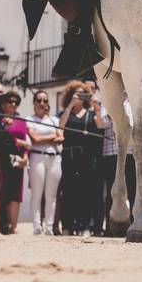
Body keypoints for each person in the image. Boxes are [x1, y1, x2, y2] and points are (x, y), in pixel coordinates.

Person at [58, 80, 104, 236]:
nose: (79, 97)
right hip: (69, 156)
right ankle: (67, 226)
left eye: (82, 94)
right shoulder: (66, 113)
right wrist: (70, 105)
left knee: (85, 192)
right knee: (68, 192)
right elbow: (61, 126)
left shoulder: (91, 114)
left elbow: (100, 126)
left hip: (86, 156)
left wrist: (96, 108)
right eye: (76, 94)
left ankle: (84, 226)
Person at [0, 92, 30, 234]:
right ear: (3, 104)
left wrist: (25, 157)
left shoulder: (21, 121)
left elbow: (26, 141)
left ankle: (13, 226)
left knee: (15, 193)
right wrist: (19, 142)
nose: (13, 104)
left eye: (16, 102)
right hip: (1, 158)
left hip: (17, 160)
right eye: (9, 101)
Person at [26, 90, 63, 235]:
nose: (42, 103)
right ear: (34, 103)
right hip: (37, 157)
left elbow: (61, 138)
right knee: (37, 193)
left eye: (45, 101)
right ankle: (36, 226)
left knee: (51, 195)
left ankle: (49, 227)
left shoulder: (54, 120)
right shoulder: (30, 119)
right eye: (39, 100)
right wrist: (52, 136)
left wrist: (44, 137)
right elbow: (35, 139)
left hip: (54, 158)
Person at [97, 95, 135, 235]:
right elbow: (102, 123)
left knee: (132, 189)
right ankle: (109, 227)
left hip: (130, 152)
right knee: (110, 193)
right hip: (111, 152)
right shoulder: (107, 100)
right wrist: (116, 122)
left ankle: (133, 224)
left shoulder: (133, 102)